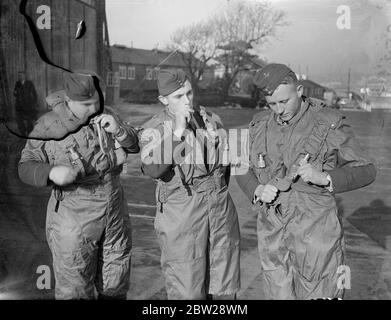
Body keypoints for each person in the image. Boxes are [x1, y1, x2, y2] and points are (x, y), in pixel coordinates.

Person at [236, 63, 376, 300]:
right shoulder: (259, 125)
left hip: (316, 235)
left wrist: (324, 177)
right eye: (271, 104)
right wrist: (257, 188)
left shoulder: (328, 122)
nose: (278, 110)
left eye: (284, 101)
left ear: (299, 90)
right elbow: (239, 167)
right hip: (272, 234)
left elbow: (367, 170)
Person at [18, 70, 139, 299]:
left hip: (114, 212)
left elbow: (134, 146)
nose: (94, 109)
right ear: (69, 100)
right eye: (86, 104)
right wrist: (51, 172)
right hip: (74, 216)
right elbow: (25, 166)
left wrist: (120, 131)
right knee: (75, 290)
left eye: (97, 102)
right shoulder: (48, 126)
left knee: (116, 285)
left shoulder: (108, 114)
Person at [139, 68, 240, 300]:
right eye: (178, 97)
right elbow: (152, 168)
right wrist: (177, 133)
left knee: (224, 288)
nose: (187, 100)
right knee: (188, 289)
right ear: (163, 100)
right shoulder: (154, 127)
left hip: (220, 211)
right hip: (182, 214)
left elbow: (225, 168)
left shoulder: (211, 119)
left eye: (189, 93)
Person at [13, 71, 38, 136]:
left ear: (24, 76)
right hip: (19, 105)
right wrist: (15, 93)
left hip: (28, 105)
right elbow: (15, 93)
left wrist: (34, 102)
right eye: (19, 76)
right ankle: (23, 133)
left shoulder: (29, 83)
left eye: (21, 75)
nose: (20, 77)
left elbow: (34, 93)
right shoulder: (17, 83)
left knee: (29, 120)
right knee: (19, 120)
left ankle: (29, 133)